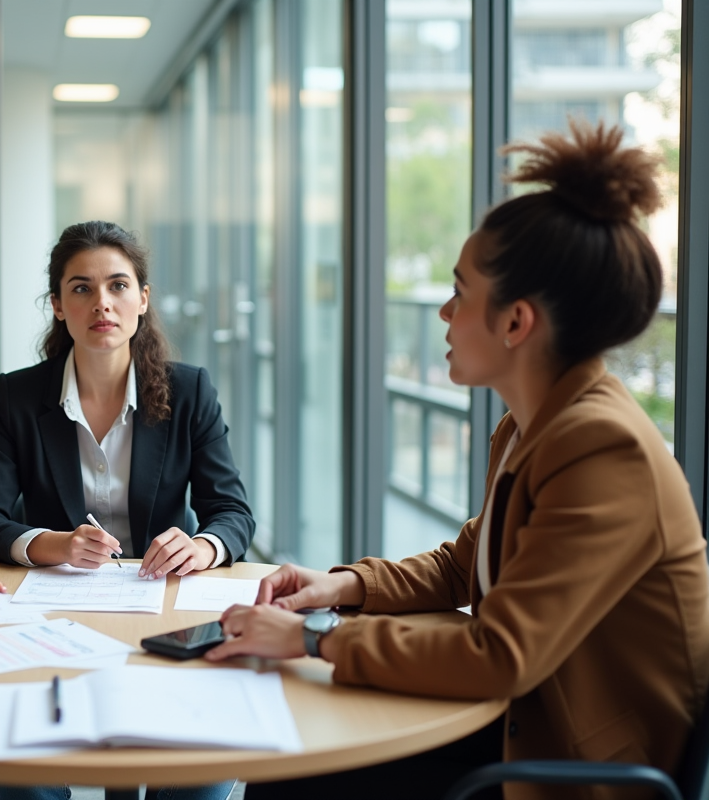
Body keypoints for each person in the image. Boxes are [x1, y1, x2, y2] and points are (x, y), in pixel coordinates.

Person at [206, 121, 709, 800]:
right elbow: (463, 565)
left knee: (295, 767)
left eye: (460, 291)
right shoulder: (533, 428)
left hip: (573, 767)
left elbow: (500, 655)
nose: (443, 312)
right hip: (523, 722)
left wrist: (314, 638)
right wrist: (341, 588)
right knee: (297, 746)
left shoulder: (602, 449)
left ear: (515, 322)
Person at [0, 220, 254, 800]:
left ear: (142, 300)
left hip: (162, 608)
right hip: (55, 613)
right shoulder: (20, 397)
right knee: (18, 765)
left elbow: (232, 511)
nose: (102, 304)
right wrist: (54, 543)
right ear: (58, 307)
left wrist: (203, 545)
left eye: (118, 286)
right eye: (81, 288)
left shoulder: (188, 390)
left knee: (204, 766)